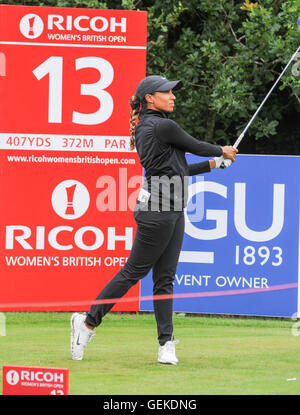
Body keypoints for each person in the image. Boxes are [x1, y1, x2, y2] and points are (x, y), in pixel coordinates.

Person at [70, 75, 238, 365]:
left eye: (173, 92)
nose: (173, 96)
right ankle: (86, 324)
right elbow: (196, 145)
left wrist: (212, 164)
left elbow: (177, 169)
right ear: (150, 98)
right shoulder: (163, 125)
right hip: (158, 209)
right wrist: (220, 150)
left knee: (164, 280)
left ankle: (165, 345)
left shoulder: (152, 126)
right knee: (133, 272)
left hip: (172, 207)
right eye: (167, 92)